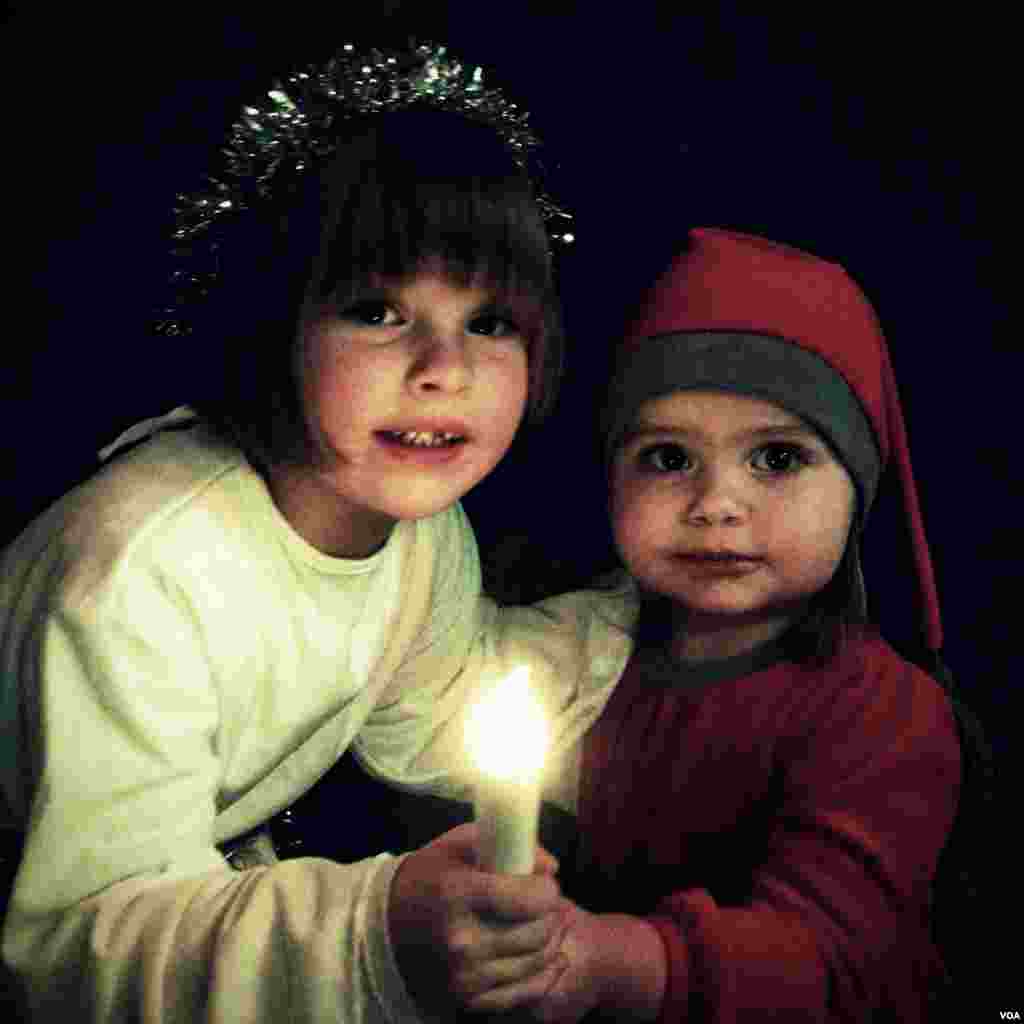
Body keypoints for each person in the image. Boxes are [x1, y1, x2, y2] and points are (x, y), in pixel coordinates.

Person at [0, 41, 636, 1023]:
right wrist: (375, 928)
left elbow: (439, 703)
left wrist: (669, 644)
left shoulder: (416, 525)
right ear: (273, 326)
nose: (443, 368)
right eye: (378, 311)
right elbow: (74, 941)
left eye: (490, 321)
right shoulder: (141, 573)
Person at [518, 227, 963, 1021]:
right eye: (667, 458)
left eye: (777, 459)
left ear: (859, 488)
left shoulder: (883, 710)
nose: (716, 504)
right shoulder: (581, 660)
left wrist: (612, 961)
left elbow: (832, 957)